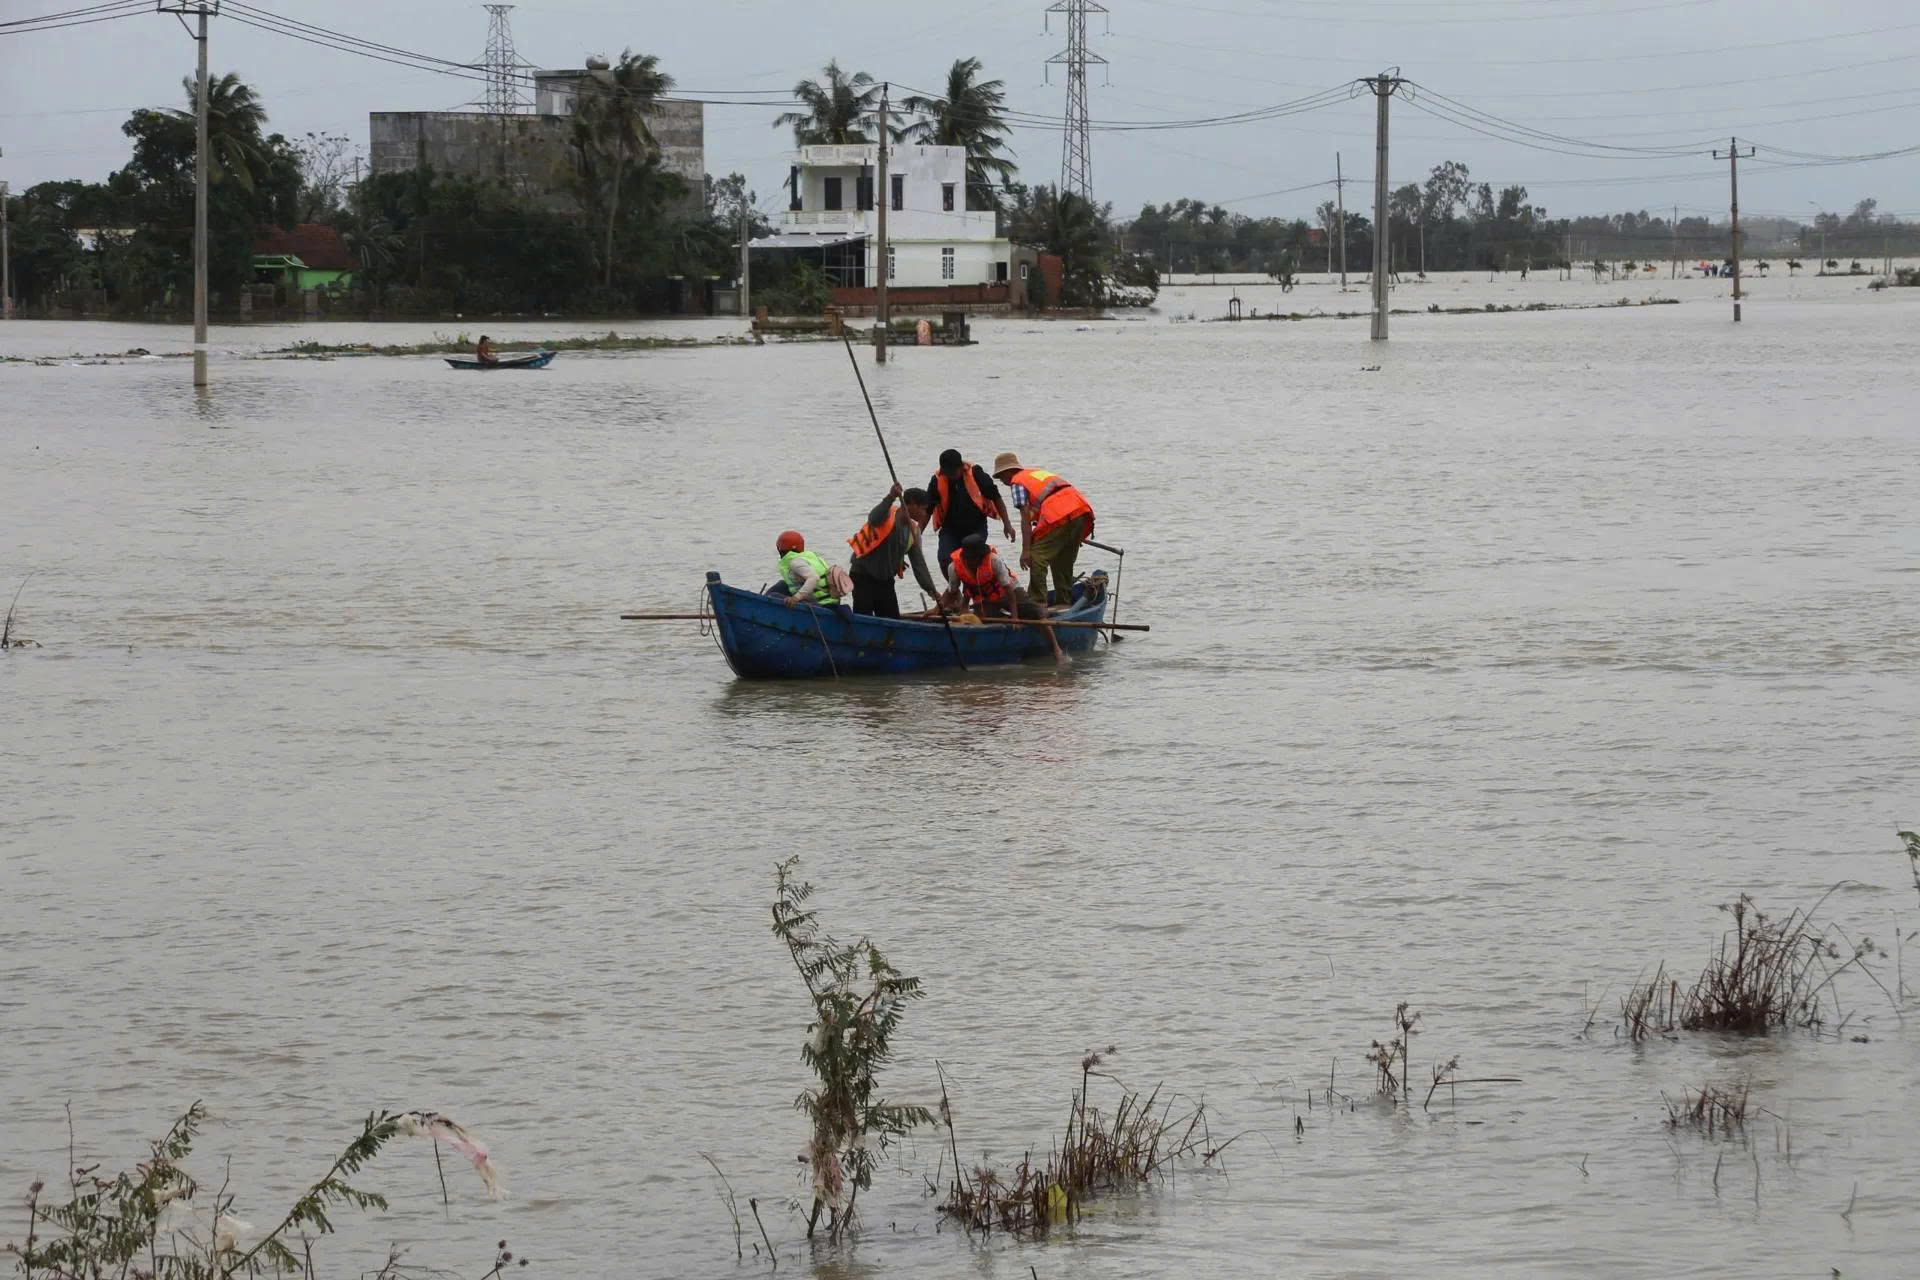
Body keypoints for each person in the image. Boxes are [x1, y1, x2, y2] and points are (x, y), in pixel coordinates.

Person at [940, 533, 1065, 664]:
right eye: (977, 558)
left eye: (982, 558)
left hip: (1010, 592)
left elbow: (1009, 591)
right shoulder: (954, 567)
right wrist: (938, 608)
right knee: (983, 620)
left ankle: (1056, 649)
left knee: (1036, 615)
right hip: (985, 598)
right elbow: (951, 591)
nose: (981, 560)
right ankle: (1002, 639)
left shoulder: (993, 560)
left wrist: (1015, 618)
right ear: (967, 558)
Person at [991, 452, 1096, 607]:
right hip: (1080, 511)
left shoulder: (1017, 483)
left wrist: (1026, 550)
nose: (1003, 481)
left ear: (1007, 472)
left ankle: (1037, 603)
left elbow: (1025, 520)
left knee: (1036, 557)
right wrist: (1070, 534)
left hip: (1060, 515)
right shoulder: (1035, 474)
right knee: (1062, 560)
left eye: (1001, 477)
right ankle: (1064, 602)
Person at [847, 483, 940, 619]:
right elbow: (873, 518)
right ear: (912, 505)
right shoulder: (886, 514)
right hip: (862, 575)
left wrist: (932, 591)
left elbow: (919, 566)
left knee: (891, 619)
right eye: (924, 509)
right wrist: (891, 496)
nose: (926, 514)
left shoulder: (914, 532)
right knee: (863, 617)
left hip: (885, 581)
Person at [925, 449, 1015, 577]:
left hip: (976, 528)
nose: (950, 476)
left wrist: (1007, 524)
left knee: (973, 560)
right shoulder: (937, 479)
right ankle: (955, 590)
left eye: (953, 473)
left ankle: (975, 588)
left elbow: (996, 497)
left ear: (961, 467)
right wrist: (918, 532)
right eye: (947, 473)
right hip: (950, 530)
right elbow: (927, 509)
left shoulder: (976, 473)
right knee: (945, 559)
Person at [770, 531, 841, 608]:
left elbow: (814, 578)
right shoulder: (812, 558)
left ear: (780, 549)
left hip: (818, 604)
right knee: (782, 584)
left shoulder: (795, 562)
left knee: (772, 596)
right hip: (832, 601)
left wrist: (795, 598)